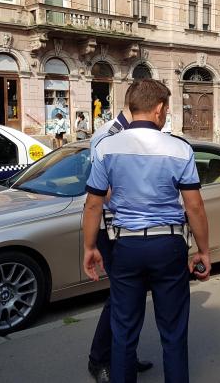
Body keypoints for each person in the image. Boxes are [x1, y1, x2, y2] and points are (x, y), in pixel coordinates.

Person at [83, 79, 211, 383]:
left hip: (125, 246)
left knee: (123, 332)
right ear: (159, 109)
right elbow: (194, 207)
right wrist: (203, 250)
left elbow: (93, 204)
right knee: (173, 333)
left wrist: (90, 247)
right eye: (166, 109)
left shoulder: (106, 147)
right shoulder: (179, 148)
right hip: (168, 245)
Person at [85, 107, 153, 383]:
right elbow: (105, 192)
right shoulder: (110, 135)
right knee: (121, 297)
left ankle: (124, 355)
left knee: (132, 296)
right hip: (113, 229)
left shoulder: (133, 134)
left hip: (128, 227)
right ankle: (99, 359)